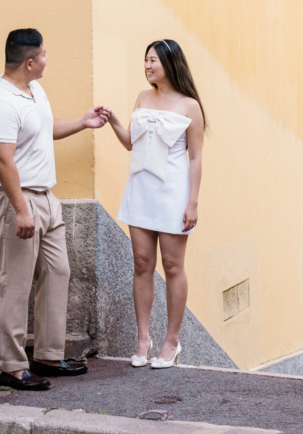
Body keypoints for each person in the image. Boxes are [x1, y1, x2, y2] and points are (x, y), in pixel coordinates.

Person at [0, 27, 108, 391]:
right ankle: (12, 367)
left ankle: (48, 357)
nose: (48, 60)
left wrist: (84, 123)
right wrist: (21, 210)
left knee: (58, 272)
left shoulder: (33, 91)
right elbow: (4, 162)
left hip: (46, 199)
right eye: (45, 55)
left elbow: (43, 129)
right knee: (16, 284)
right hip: (18, 200)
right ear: (30, 62)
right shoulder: (1, 103)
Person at [102, 39, 206, 370]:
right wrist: (116, 121)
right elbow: (132, 143)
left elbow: (196, 157)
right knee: (142, 263)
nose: (147, 66)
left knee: (173, 266)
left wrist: (193, 203)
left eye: (153, 61)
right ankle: (143, 338)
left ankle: (171, 341)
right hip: (141, 189)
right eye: (146, 60)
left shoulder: (190, 105)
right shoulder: (143, 98)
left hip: (173, 194)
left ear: (169, 64)